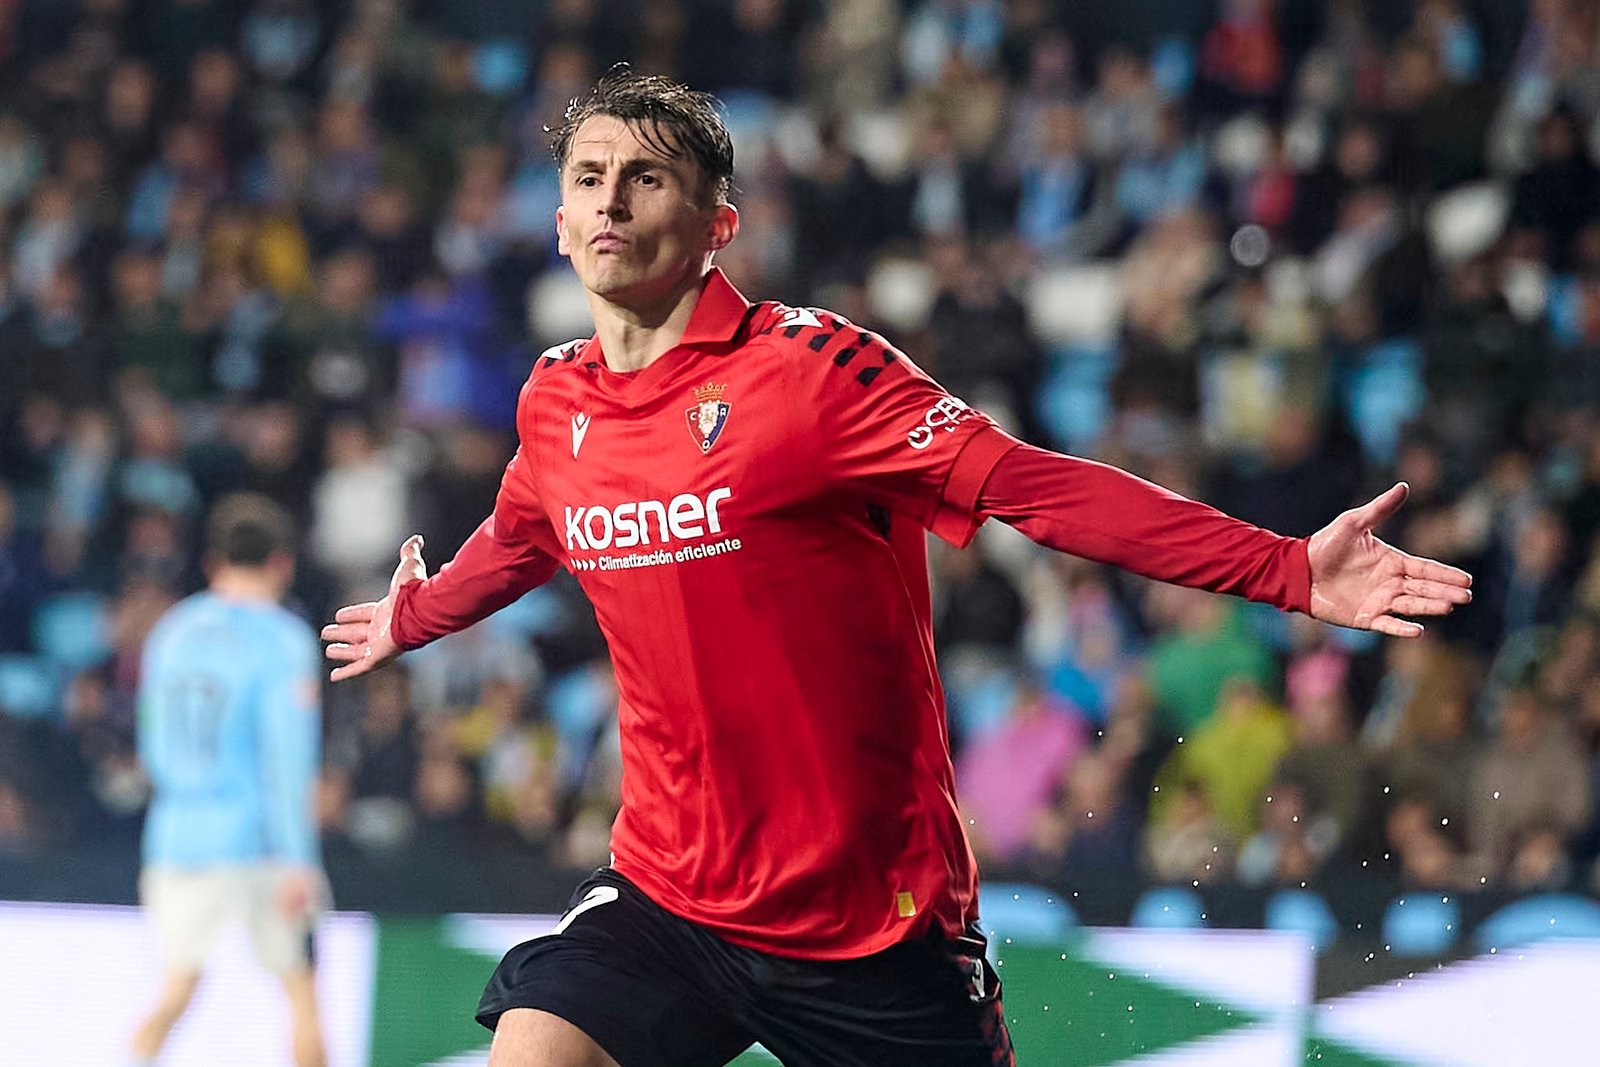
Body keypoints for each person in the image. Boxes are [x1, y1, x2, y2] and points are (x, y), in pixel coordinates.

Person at [320, 69, 1473, 1067]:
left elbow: (1032, 486)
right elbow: (519, 535)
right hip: (670, 896)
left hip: (875, 927)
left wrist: (1282, 568)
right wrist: (410, 617)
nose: (610, 200)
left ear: (717, 221)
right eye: (587, 176)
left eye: (647, 177)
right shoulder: (553, 398)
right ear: (560, 223)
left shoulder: (815, 374)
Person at [133, 494, 326, 1067]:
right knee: (301, 995)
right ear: (282, 563)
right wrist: (299, 858)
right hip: (261, 840)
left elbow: (149, 740)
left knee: (175, 990)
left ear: (213, 561)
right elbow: (286, 759)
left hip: (176, 835)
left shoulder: (171, 630)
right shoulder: (283, 640)